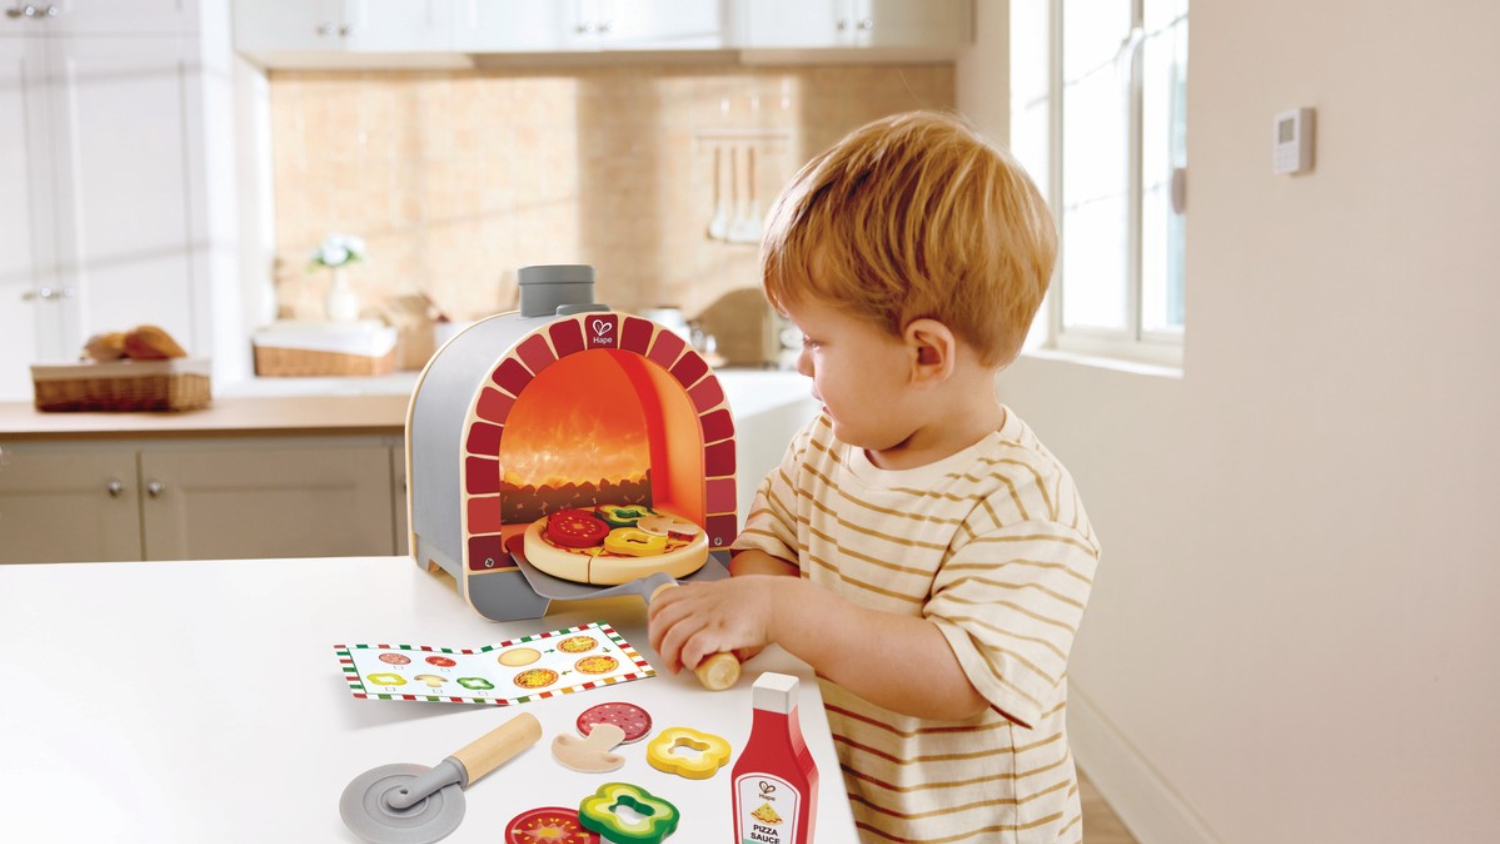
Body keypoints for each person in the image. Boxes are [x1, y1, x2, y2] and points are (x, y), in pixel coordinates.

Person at [648, 110, 1099, 843]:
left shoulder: (1023, 505)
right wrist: (746, 609)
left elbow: (960, 683)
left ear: (924, 355)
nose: (801, 363)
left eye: (816, 341)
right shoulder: (826, 443)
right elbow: (769, 541)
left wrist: (781, 611)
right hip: (854, 808)